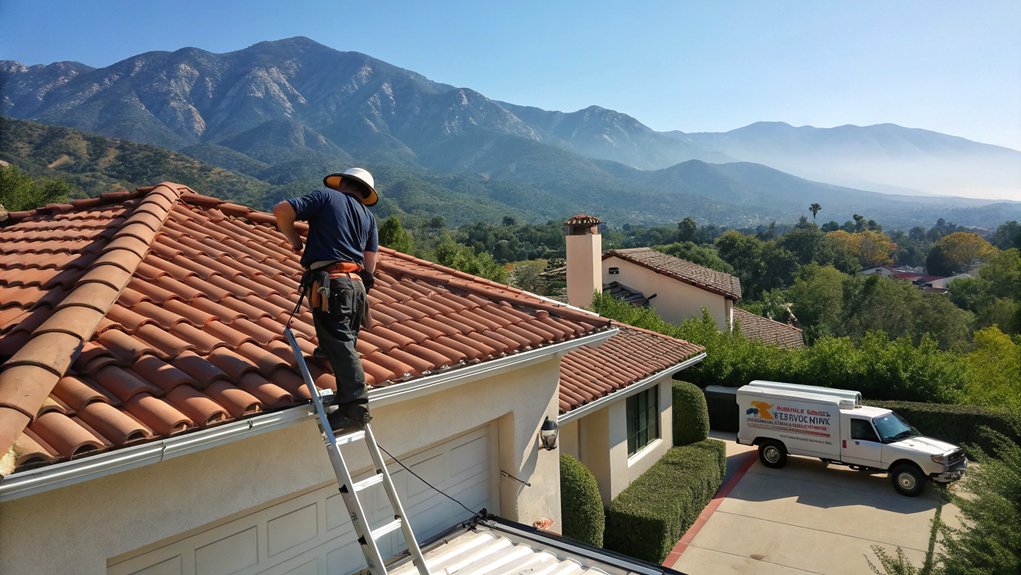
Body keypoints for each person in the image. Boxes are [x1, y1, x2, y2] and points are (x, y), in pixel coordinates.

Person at [274, 167, 379, 430]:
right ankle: (326, 355)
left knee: (341, 341)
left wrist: (295, 240)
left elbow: (282, 210)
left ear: (341, 182)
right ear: (364, 193)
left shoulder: (327, 197)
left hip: (332, 284)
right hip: (356, 288)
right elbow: (370, 263)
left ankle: (355, 409)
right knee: (342, 339)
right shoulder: (368, 218)